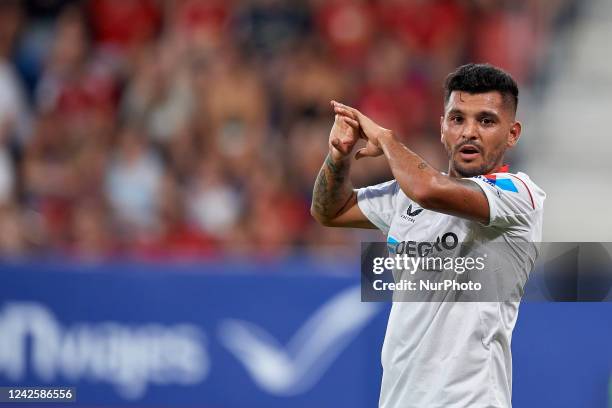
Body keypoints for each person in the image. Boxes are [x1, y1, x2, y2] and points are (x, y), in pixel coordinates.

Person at [310, 63, 545, 408]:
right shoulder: (406, 195)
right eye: (457, 118)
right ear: (442, 127)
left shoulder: (520, 194)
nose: (469, 132)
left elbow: (427, 187)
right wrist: (339, 156)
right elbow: (329, 210)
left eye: (486, 121)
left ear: (512, 133)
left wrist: (387, 139)